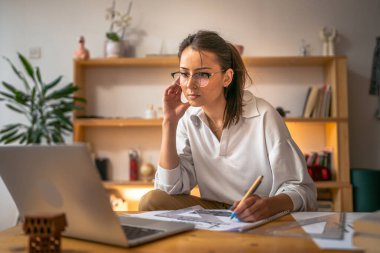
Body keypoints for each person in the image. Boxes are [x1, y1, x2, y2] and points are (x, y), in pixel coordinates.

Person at [139, 30, 317, 222]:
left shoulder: (264, 115)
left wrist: (268, 205)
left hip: (261, 213)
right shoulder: (187, 118)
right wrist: (169, 122)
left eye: (202, 75)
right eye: (184, 74)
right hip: (214, 212)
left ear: (227, 77)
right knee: (151, 200)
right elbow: (169, 189)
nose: (190, 85)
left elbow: (303, 190)